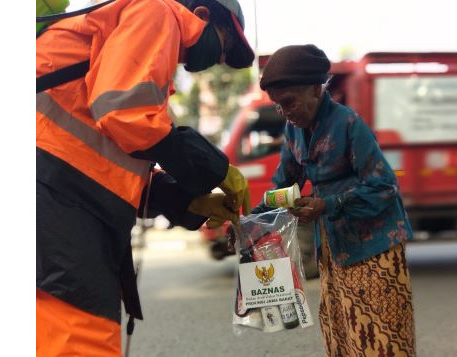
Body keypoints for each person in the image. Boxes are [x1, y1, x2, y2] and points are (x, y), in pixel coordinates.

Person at [36, 0, 254, 355]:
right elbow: (124, 115)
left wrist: (181, 201)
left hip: (56, 194)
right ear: (201, 14)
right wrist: (217, 169)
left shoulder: (130, 36)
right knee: (79, 339)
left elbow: (102, 158)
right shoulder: (158, 11)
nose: (219, 60)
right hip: (55, 198)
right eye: (225, 45)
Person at [253, 44, 416, 356]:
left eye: (289, 102)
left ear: (315, 90)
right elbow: (283, 185)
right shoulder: (293, 131)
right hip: (333, 247)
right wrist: (249, 220)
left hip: (374, 247)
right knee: (343, 336)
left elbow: (385, 187)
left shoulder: (349, 124)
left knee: (381, 341)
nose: (286, 112)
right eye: (278, 106)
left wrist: (329, 204)